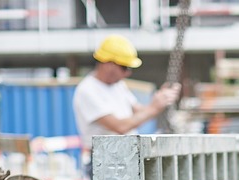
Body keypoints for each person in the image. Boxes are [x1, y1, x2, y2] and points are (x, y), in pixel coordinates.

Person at [73, 34, 182, 172]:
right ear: (108, 65)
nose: (127, 73)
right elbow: (120, 126)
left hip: (124, 157)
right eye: (125, 68)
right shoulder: (88, 91)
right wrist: (154, 107)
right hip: (104, 162)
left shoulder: (118, 86)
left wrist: (160, 99)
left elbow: (139, 112)